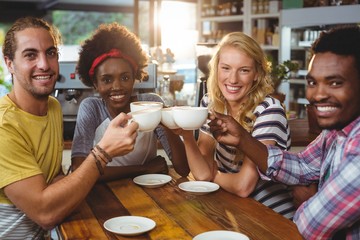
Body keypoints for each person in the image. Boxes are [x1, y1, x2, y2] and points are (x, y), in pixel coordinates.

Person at [208, 25, 360, 239]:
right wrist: (243, 139)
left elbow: (309, 225)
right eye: (313, 82)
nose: (319, 95)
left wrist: (312, 199)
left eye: (335, 82)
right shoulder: (336, 132)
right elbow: (303, 165)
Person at [0, 17, 139, 239]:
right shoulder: (3, 126)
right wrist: (102, 153)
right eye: (30, 55)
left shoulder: (52, 107)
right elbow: (45, 212)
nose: (44, 64)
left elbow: (54, 180)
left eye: (51, 53)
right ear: (9, 63)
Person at [173, 32, 296, 219]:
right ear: (216, 69)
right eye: (226, 68)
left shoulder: (269, 111)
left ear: (257, 74)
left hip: (272, 216)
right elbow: (202, 174)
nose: (232, 79)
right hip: (236, 210)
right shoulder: (211, 103)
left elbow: (243, 186)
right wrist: (188, 136)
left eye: (244, 70)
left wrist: (216, 176)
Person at [71, 22, 189, 181]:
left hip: (148, 193)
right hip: (105, 196)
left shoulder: (152, 103)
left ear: (135, 77)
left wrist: (167, 124)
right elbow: (79, 171)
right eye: (107, 80)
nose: (117, 86)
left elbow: (183, 169)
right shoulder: (92, 108)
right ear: (95, 83)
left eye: (125, 77)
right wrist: (143, 169)